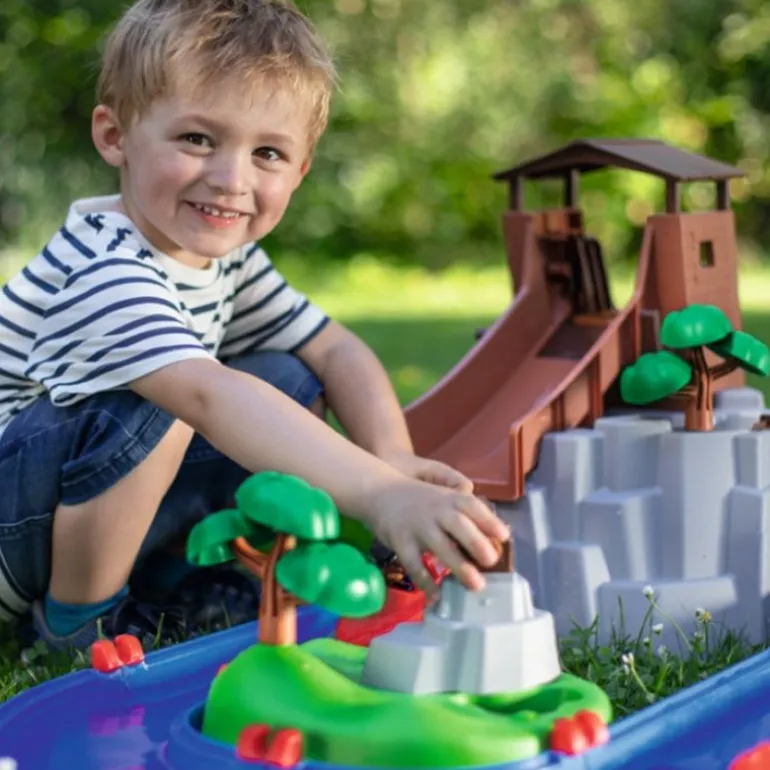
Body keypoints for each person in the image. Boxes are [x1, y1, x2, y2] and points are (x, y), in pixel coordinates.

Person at [0, 0, 509, 651]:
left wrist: (392, 458)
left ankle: (180, 586)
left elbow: (335, 350)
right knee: (167, 400)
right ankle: (78, 623)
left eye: (267, 152)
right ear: (115, 135)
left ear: (300, 170)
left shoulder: (227, 260)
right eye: (196, 139)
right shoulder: (104, 265)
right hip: (13, 527)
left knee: (286, 376)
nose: (230, 179)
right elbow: (209, 397)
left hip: (69, 508)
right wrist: (380, 494)